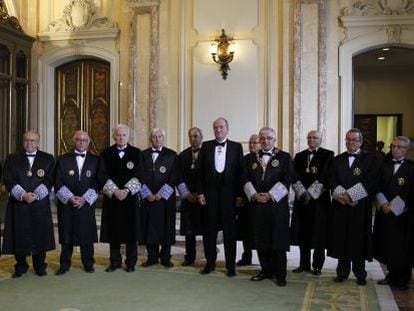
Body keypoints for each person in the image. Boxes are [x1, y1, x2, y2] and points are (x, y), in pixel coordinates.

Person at [328, 128, 379, 286]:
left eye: (354, 140)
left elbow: (372, 180)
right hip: (341, 206)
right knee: (342, 238)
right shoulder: (337, 159)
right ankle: (342, 272)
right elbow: (331, 180)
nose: (350, 142)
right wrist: (344, 196)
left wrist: (353, 196)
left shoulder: (370, 159)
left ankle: (360, 273)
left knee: (358, 239)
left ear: (361, 142)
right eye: (348, 139)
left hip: (360, 206)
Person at [242, 127, 293, 286]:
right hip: (257, 205)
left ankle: (281, 274)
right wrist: (254, 194)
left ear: (274, 139)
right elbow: (245, 179)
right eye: (262, 138)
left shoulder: (284, 157)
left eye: (269, 138)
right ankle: (265, 270)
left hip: (277, 206)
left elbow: (287, 180)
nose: (265, 141)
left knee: (278, 241)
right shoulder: (249, 158)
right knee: (261, 239)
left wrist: (271, 195)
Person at [2, 131, 55, 277]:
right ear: (23, 141)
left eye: (33, 141)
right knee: (19, 234)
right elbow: (8, 179)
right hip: (19, 204)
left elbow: (50, 179)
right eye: (27, 140)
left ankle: (40, 266)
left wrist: (36, 194)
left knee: (40, 235)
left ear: (38, 142)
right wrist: (23, 195)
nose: (29, 143)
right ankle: (21, 266)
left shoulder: (48, 158)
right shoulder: (12, 158)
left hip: (39, 204)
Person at [197, 117, 244, 277]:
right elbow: (199, 173)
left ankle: (231, 266)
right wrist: (201, 192)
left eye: (221, 127)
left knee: (230, 233)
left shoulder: (237, 147)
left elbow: (240, 174)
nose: (218, 130)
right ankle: (210, 264)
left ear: (227, 129)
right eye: (216, 127)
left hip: (229, 198)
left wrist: (239, 195)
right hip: (209, 197)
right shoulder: (206, 146)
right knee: (209, 232)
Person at [55, 130, 99, 275]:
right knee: (67, 234)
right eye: (78, 140)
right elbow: (57, 181)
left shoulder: (95, 160)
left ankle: (88, 263)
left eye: (84, 140)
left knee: (87, 234)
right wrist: (69, 197)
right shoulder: (62, 159)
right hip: (68, 204)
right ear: (73, 141)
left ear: (88, 142)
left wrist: (85, 198)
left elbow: (97, 182)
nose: (81, 142)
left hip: (86, 203)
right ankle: (64, 264)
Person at [98, 124, 142, 272]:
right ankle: (115, 262)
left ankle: (131, 263)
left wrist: (127, 190)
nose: (121, 137)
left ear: (128, 136)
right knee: (113, 231)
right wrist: (115, 191)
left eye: (124, 135)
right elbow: (102, 174)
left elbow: (140, 174)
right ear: (114, 136)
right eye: (118, 135)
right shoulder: (106, 153)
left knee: (131, 232)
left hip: (130, 199)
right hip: (113, 199)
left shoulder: (137, 153)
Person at [373, 136, 414, 290]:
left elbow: (410, 191)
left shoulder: (411, 167)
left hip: (404, 214)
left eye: (400, 147)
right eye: (394, 146)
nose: (396, 149)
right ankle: (391, 274)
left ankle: (403, 278)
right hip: (385, 212)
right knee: (388, 244)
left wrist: (396, 207)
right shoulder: (384, 166)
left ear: (407, 150)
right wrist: (383, 202)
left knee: (403, 247)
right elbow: (376, 186)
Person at [291, 130, 333, 276]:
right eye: (309, 137)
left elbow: (326, 176)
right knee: (303, 232)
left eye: (315, 137)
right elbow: (294, 175)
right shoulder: (299, 156)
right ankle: (304, 264)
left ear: (321, 139)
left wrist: (311, 193)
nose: (311, 140)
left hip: (319, 201)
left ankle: (317, 266)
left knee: (319, 233)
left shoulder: (328, 154)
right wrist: (302, 193)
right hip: (302, 200)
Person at [139, 128, 178, 268]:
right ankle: (152, 257)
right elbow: (139, 176)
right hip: (148, 198)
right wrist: (146, 193)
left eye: (159, 136)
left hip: (165, 199)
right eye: (154, 137)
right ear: (150, 139)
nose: (156, 139)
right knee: (149, 227)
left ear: (163, 138)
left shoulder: (172, 155)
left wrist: (161, 194)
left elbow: (174, 177)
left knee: (166, 228)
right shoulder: (142, 155)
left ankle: (166, 257)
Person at [177, 127, 204, 266]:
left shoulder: (208, 153)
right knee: (189, 231)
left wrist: (201, 193)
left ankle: (209, 258)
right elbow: (178, 177)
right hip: (188, 198)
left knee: (206, 230)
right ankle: (189, 257)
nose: (194, 139)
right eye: (191, 136)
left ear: (201, 137)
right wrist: (186, 194)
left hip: (204, 199)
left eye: (196, 136)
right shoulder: (182, 155)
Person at [236, 134, 260, 266]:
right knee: (246, 230)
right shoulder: (245, 159)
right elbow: (241, 179)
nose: (251, 145)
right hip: (247, 201)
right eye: (250, 143)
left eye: (254, 143)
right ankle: (247, 256)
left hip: (263, 200)